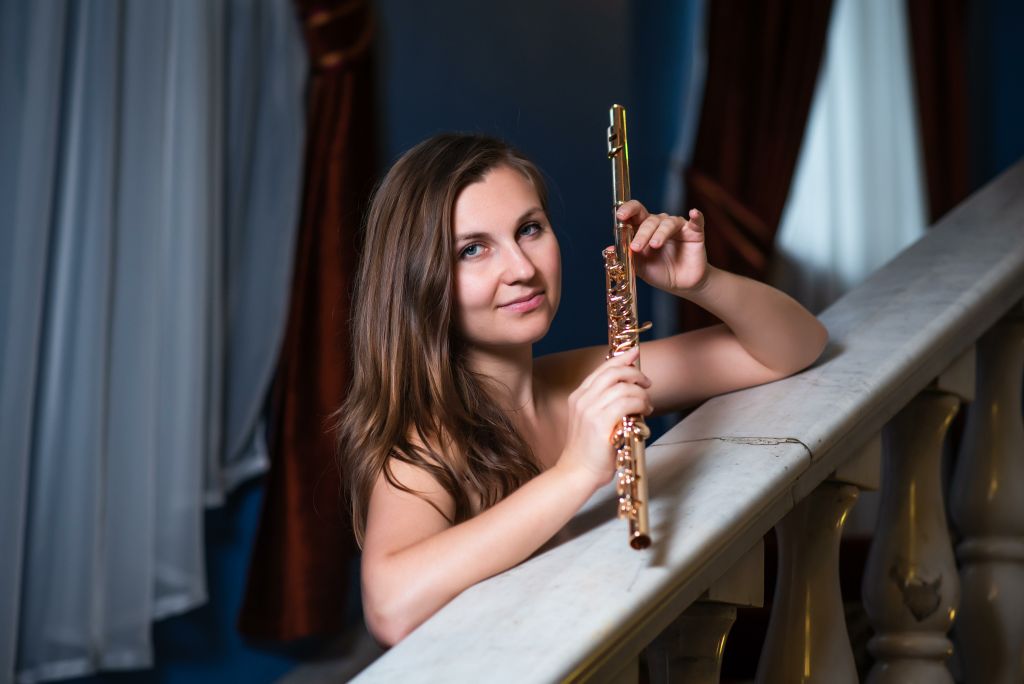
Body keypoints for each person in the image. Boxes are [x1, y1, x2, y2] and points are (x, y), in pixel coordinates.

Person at [335, 133, 828, 647]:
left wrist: (701, 282)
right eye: (473, 249)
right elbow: (389, 608)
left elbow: (795, 346)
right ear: (417, 280)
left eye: (529, 229)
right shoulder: (425, 441)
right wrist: (576, 472)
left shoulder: (575, 378)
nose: (522, 269)